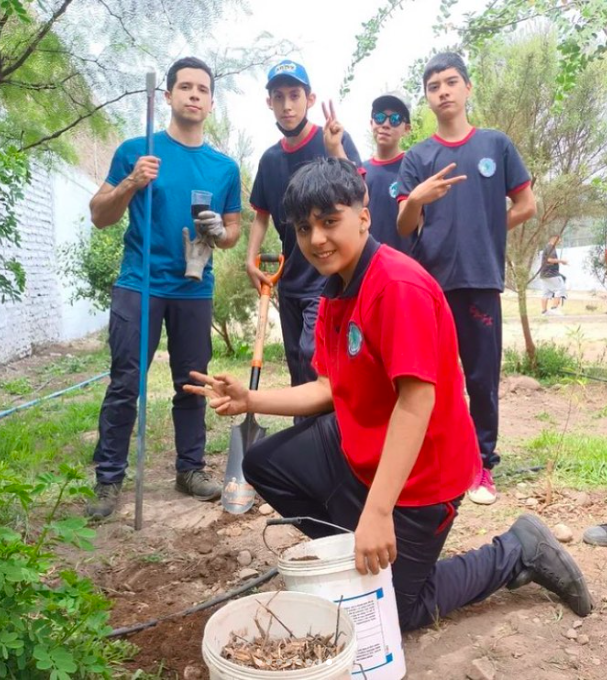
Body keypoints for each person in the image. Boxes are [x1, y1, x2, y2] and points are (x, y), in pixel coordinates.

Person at [185, 158, 592, 631]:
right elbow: (327, 388)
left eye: (329, 221)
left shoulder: (396, 286)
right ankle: (359, 545)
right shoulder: (335, 288)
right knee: (263, 463)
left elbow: (415, 403)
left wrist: (378, 512)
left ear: (364, 215)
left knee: (398, 611)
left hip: (425, 474)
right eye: (303, 228)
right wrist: (251, 400)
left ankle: (516, 549)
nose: (316, 239)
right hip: (362, 446)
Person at [86, 57, 242, 519]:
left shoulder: (223, 167)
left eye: (202, 89)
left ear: (211, 103)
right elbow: (99, 216)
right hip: (140, 284)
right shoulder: (138, 151)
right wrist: (132, 183)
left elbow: (233, 231)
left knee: (193, 383)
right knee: (125, 381)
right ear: (168, 96)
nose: (194, 95)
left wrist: (219, 233)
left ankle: (190, 469)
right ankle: (109, 480)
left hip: (194, 288)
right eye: (185, 87)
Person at [396, 52, 537, 506]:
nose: (443, 91)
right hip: (430, 286)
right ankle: (434, 460)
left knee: (480, 377)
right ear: (427, 98)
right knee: (431, 379)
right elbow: (402, 225)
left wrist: (488, 231)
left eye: (451, 82)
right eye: (434, 85)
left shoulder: (496, 145)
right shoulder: (418, 156)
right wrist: (417, 197)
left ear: (468, 88)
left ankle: (482, 465)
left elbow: (526, 204)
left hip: (479, 280)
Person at [247, 59, 362, 390]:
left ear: (309, 100)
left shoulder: (331, 140)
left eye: (295, 95)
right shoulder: (270, 159)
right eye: (279, 97)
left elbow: (359, 195)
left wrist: (335, 148)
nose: (287, 106)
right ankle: (305, 433)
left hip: (328, 277)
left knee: (315, 356)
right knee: (298, 361)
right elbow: (261, 214)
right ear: (269, 102)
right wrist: (249, 258)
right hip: (291, 278)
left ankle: (328, 434)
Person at [362, 91, 412, 251]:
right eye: (380, 117)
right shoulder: (361, 172)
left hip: (407, 264)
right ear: (371, 123)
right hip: (370, 265)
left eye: (395, 119)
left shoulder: (414, 167)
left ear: (407, 128)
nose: (385, 124)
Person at [540, 234, 567, 315]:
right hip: (551, 273)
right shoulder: (550, 247)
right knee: (560, 288)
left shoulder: (548, 247)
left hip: (544, 274)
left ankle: (544, 312)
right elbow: (550, 259)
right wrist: (561, 261)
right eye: (559, 240)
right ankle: (554, 309)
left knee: (546, 292)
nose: (560, 241)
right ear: (554, 239)